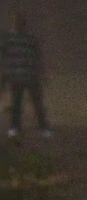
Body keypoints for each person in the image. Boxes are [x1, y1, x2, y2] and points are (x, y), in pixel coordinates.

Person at [3, 12, 51, 140]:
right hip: (17, 76)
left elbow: (38, 57)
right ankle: (15, 127)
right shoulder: (9, 39)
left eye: (21, 22)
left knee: (37, 103)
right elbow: (3, 57)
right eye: (18, 22)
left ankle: (43, 127)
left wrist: (42, 73)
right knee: (17, 103)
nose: (19, 25)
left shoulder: (30, 38)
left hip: (30, 75)